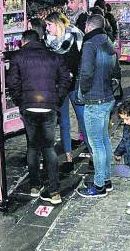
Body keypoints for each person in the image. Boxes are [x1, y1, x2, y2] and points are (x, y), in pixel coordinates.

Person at [6, 30, 71, 204]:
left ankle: (35, 185)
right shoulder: (54, 56)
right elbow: (66, 79)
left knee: (33, 147)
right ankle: (54, 190)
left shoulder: (18, 57)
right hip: (49, 106)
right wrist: (57, 99)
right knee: (49, 148)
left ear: (24, 41)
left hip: (29, 107)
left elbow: (12, 82)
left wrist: (21, 101)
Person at [76, 14, 117, 198]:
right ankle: (106, 180)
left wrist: (83, 92)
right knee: (104, 140)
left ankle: (99, 185)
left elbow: (86, 72)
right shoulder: (107, 41)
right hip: (107, 97)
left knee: (96, 144)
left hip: (94, 99)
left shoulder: (90, 44)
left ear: (88, 26)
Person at [44, 12, 85, 162]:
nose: (47, 28)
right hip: (60, 86)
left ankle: (93, 153)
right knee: (64, 123)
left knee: (82, 119)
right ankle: (68, 156)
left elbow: (76, 63)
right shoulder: (48, 42)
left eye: (49, 25)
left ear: (58, 24)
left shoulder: (74, 37)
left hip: (74, 86)